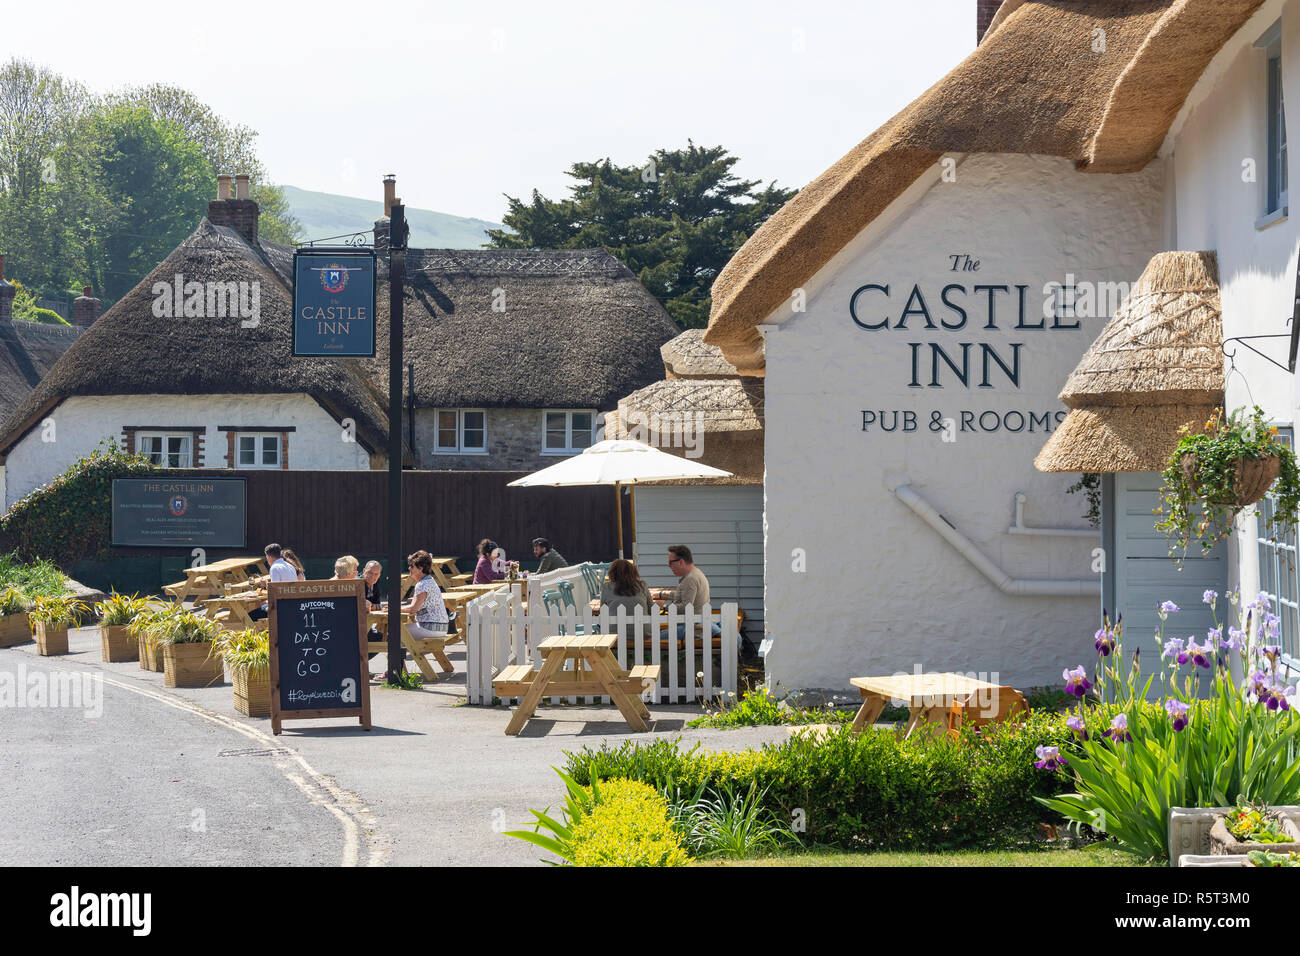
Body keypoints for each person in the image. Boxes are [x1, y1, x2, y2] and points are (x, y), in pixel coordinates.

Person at [651, 544, 723, 642]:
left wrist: (663, 608)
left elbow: (685, 607)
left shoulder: (690, 579)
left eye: (670, 562)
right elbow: (682, 594)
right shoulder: (695, 573)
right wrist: (660, 594)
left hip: (692, 630)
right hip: (696, 625)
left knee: (653, 639)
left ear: (681, 562)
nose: (668, 565)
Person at [402, 550, 449, 639]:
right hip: (441, 628)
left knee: (395, 632)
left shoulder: (422, 584)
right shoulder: (430, 581)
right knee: (403, 634)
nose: (409, 568)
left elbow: (413, 609)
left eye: (412, 566)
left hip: (430, 628)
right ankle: (415, 652)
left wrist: (392, 609)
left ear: (420, 568)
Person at [249, 543, 299, 620]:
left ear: (268, 556)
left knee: (250, 616)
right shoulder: (290, 566)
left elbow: (274, 592)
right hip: (293, 604)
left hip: (280, 607)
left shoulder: (275, 568)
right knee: (261, 607)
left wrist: (266, 584)